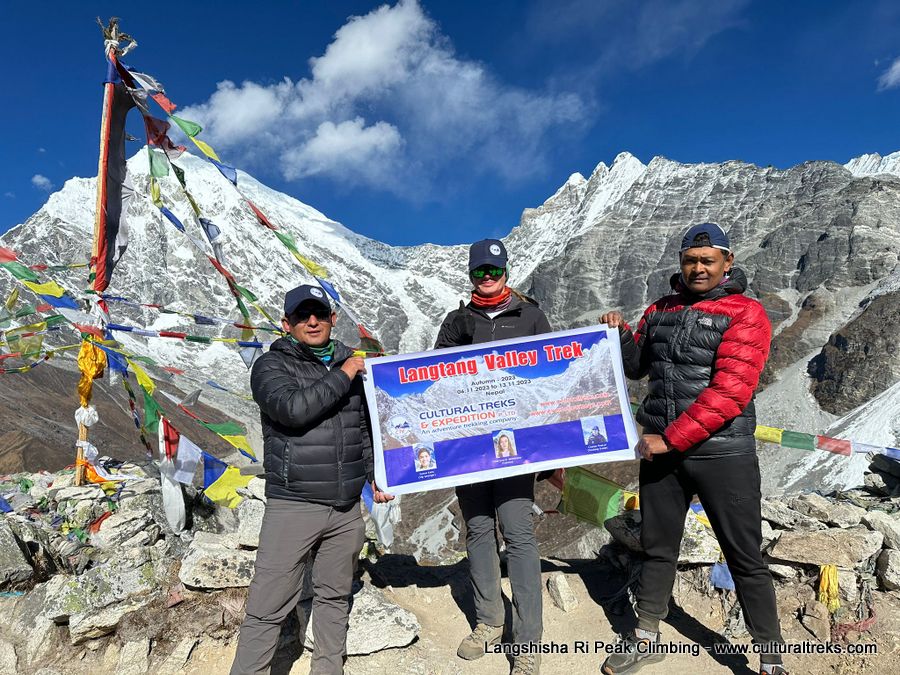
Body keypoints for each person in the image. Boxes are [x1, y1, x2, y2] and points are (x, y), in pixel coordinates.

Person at [598, 223, 786, 675]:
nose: (698, 268)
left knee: (743, 555)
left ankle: (771, 658)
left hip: (722, 452)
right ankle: (645, 637)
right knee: (658, 546)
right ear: (680, 262)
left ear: (727, 262)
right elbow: (637, 367)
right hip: (662, 452)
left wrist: (670, 438)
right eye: (690, 260)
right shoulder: (659, 309)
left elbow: (731, 391)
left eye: (707, 260)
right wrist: (621, 332)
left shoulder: (746, 313)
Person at [231, 284, 393, 675]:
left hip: (345, 508)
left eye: (319, 313)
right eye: (302, 316)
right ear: (287, 324)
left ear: (333, 319)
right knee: (267, 607)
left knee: (335, 598)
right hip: (294, 506)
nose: (313, 321)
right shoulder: (272, 367)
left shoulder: (349, 363)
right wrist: (346, 373)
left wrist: (376, 475)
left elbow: (363, 429)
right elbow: (293, 410)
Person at [435, 239, 551, 675]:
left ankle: (527, 645)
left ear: (506, 272)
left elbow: (554, 376)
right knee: (479, 529)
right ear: (470, 275)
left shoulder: (532, 316)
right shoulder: (456, 321)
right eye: (479, 271)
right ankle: (488, 621)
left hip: (518, 447)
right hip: (468, 444)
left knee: (519, 532)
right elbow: (436, 381)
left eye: (494, 270)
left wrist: (551, 446)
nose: (487, 277)